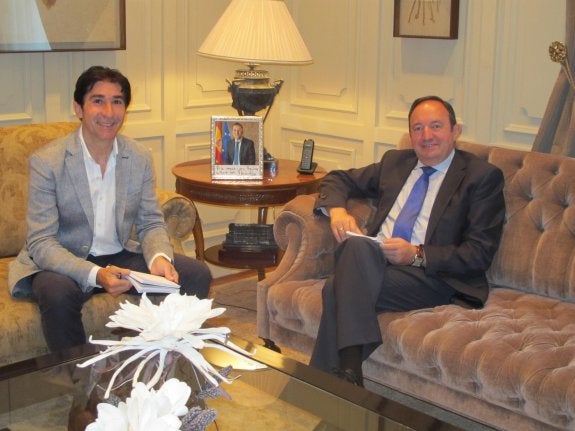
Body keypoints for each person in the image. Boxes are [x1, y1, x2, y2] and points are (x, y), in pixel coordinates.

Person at [8, 66, 212, 352]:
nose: (109, 111)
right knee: (55, 294)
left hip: (120, 254)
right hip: (64, 258)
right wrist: (94, 274)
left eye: (117, 101)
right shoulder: (48, 162)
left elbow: (151, 222)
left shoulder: (137, 157)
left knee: (196, 274)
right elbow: (41, 242)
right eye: (97, 100)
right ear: (78, 108)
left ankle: (165, 361)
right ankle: (79, 385)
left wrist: (158, 258)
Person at [309, 95, 506, 386]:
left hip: (434, 275)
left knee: (336, 287)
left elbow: (478, 253)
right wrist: (338, 211)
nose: (426, 136)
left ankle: (337, 378)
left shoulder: (481, 177)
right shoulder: (396, 162)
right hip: (376, 260)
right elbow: (338, 179)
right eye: (418, 128)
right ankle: (345, 379)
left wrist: (415, 254)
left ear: (455, 131)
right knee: (357, 246)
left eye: (436, 126)